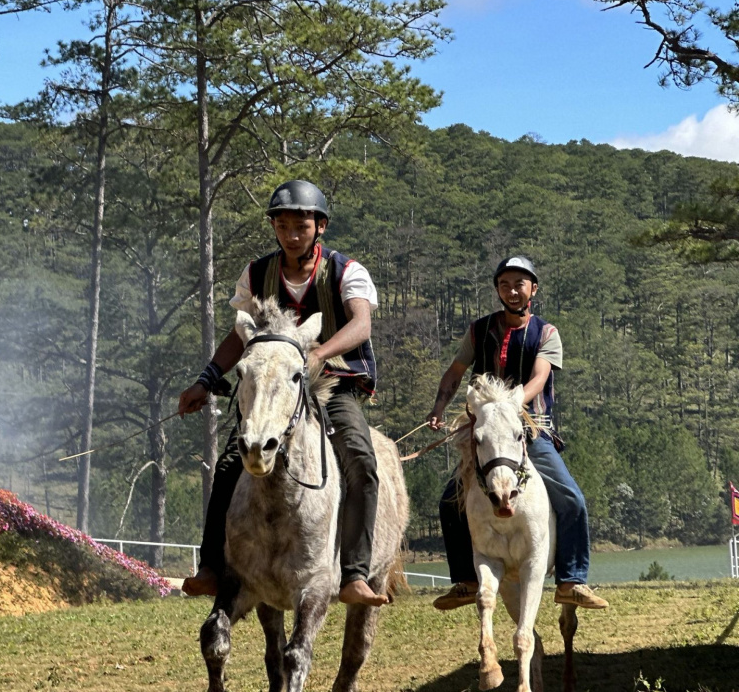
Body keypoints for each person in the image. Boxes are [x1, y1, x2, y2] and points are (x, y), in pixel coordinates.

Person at [179, 179, 387, 606]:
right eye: (283, 226)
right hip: (271, 387)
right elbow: (240, 337)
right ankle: (212, 567)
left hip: (331, 382)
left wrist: (321, 353)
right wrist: (205, 379)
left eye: (301, 226)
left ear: (320, 227)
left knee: (361, 460)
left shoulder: (348, 272)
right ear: (274, 227)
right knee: (229, 463)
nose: (292, 235)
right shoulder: (256, 274)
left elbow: (361, 324)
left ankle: (354, 573)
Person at [426, 256, 608, 611]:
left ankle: (571, 580)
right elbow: (455, 372)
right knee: (451, 501)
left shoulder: (547, 333)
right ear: (497, 289)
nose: (512, 291)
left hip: (530, 429)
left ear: (533, 289)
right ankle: (465, 580)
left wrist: (510, 405)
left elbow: (539, 378)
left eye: (519, 284)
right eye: (505, 284)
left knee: (572, 499)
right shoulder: (479, 331)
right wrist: (438, 407)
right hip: (486, 432)